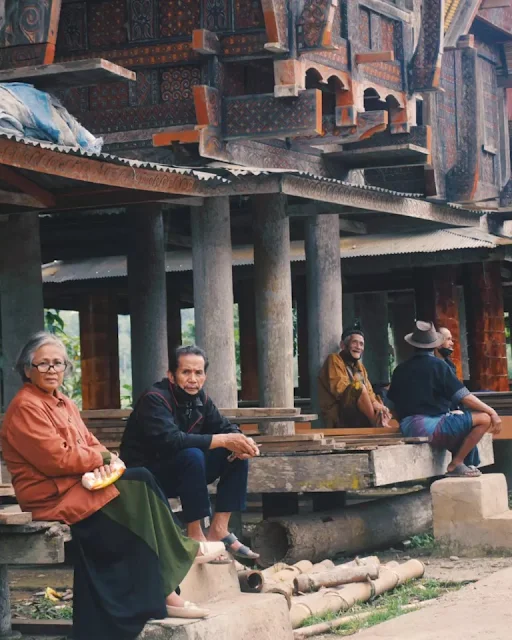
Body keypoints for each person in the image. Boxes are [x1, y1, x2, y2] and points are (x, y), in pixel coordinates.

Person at [1, 332, 228, 640]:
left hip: (78, 486)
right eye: (43, 364)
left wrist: (108, 457)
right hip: (51, 497)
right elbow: (57, 459)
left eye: (58, 363)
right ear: (27, 369)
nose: (52, 369)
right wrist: (103, 457)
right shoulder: (25, 406)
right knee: (135, 507)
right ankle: (176, 568)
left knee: (142, 480)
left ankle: (177, 564)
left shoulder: (62, 401)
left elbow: (89, 442)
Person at [120, 345, 260, 560]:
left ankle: (218, 529)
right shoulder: (154, 398)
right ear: (172, 376)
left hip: (184, 472)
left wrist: (241, 441)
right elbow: (171, 441)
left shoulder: (201, 399)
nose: (193, 379)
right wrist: (224, 440)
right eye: (186, 372)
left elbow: (224, 426)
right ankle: (195, 533)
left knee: (235, 454)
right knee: (192, 454)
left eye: (198, 372)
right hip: (146, 474)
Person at [387, 321, 502, 478]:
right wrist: (492, 411)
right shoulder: (438, 366)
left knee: (459, 419)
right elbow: (464, 396)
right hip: (428, 427)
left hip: (408, 427)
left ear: (413, 345)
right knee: (483, 419)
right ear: (434, 345)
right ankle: (456, 463)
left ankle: (463, 464)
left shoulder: (400, 369)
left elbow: (392, 404)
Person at [318, 324, 391, 428]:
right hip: (339, 416)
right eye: (355, 343)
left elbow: (369, 392)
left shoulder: (359, 367)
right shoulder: (334, 359)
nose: (358, 347)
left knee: (383, 398)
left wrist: (376, 404)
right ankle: (375, 424)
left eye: (361, 344)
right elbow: (340, 389)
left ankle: (379, 421)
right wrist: (369, 399)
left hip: (357, 415)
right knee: (358, 387)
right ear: (343, 345)